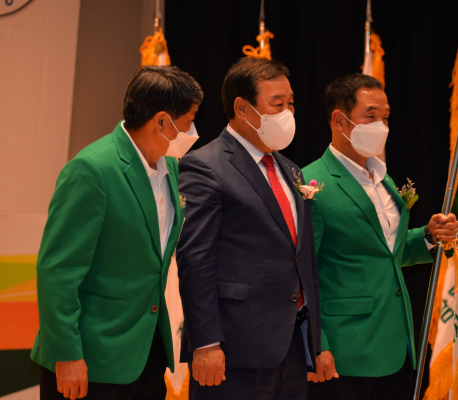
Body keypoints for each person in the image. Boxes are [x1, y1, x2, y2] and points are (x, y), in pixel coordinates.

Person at [30, 65, 203, 400]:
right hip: (91, 357)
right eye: (188, 120)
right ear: (162, 122)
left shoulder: (170, 165)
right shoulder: (92, 169)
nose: (191, 130)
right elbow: (58, 270)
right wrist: (67, 354)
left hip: (147, 355)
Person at [302, 73, 458, 400]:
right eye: (370, 116)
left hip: (395, 344)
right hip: (344, 351)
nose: (381, 127)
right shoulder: (312, 183)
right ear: (339, 120)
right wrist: (315, 345)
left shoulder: (383, 178)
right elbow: (301, 274)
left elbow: (385, 252)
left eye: (385, 118)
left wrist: (428, 237)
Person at [176, 56, 321, 400]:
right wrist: (206, 343)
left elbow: (301, 258)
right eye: (277, 105)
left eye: (291, 104)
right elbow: (195, 261)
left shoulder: (291, 170)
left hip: (292, 346)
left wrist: (315, 340)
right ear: (242, 108)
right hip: (234, 349)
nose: (288, 113)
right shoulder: (205, 166)